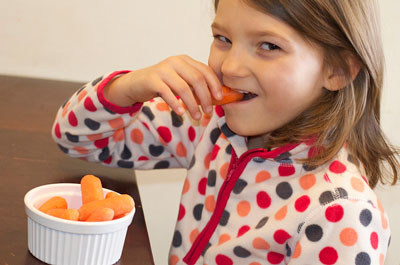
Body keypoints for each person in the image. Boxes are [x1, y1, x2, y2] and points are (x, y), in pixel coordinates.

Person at [52, 0, 399, 264]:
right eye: (223, 38)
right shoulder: (209, 125)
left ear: (337, 70)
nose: (230, 67)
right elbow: (77, 137)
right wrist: (129, 87)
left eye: (269, 46)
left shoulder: (341, 213)